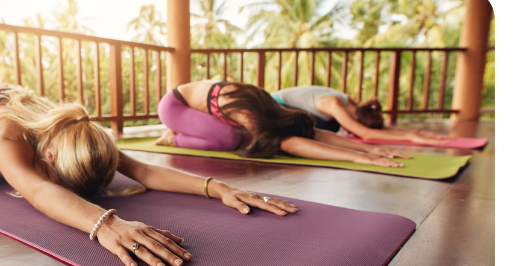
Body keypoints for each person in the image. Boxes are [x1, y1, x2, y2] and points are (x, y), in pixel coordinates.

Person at [0, 81, 298, 266]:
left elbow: (145, 171)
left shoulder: (83, 136)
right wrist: (105, 223)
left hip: (13, 102)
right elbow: (38, 190)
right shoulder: (5, 133)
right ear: (49, 156)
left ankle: (7, 164)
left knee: (15, 168)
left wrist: (220, 189)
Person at [153, 81, 412, 167]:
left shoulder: (274, 109)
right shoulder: (250, 114)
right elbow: (290, 143)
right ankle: (172, 137)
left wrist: (368, 151)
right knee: (231, 140)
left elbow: (313, 134)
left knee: (243, 139)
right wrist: (355, 158)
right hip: (175, 106)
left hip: (208, 109)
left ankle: (187, 130)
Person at [271, 85, 448, 144]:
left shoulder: (352, 105)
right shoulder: (334, 104)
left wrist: (416, 133)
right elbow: (365, 132)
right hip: (273, 108)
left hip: (293, 110)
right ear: (357, 120)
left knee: (331, 125)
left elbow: (367, 128)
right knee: (328, 126)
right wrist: (410, 138)